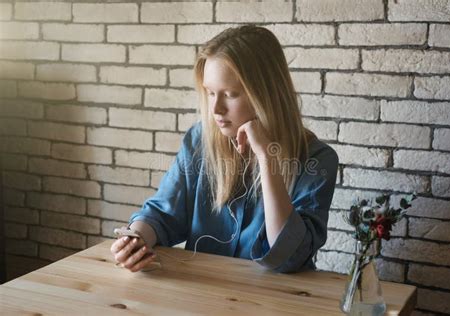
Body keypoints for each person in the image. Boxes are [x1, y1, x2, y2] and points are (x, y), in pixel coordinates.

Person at [110, 25, 339, 273]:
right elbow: (163, 213)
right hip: (204, 295)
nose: (216, 109)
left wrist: (266, 157)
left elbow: (289, 257)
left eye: (230, 94)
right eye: (210, 93)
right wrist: (136, 240)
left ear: (265, 94)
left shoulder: (317, 159)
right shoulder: (199, 140)